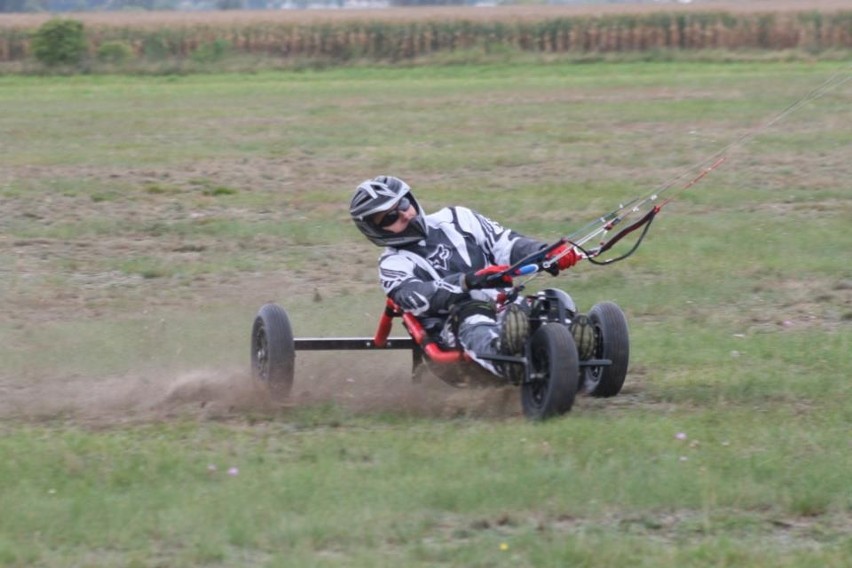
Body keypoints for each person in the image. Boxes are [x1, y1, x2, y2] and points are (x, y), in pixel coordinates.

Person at [349, 175, 578, 378]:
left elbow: (506, 244)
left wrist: (547, 253)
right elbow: (414, 296)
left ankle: (580, 348)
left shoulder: (458, 218)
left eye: (403, 204)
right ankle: (510, 360)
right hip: (453, 335)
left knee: (554, 301)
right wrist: (466, 281)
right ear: (376, 230)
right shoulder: (392, 264)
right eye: (390, 218)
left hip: (505, 306)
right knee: (474, 313)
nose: (405, 215)